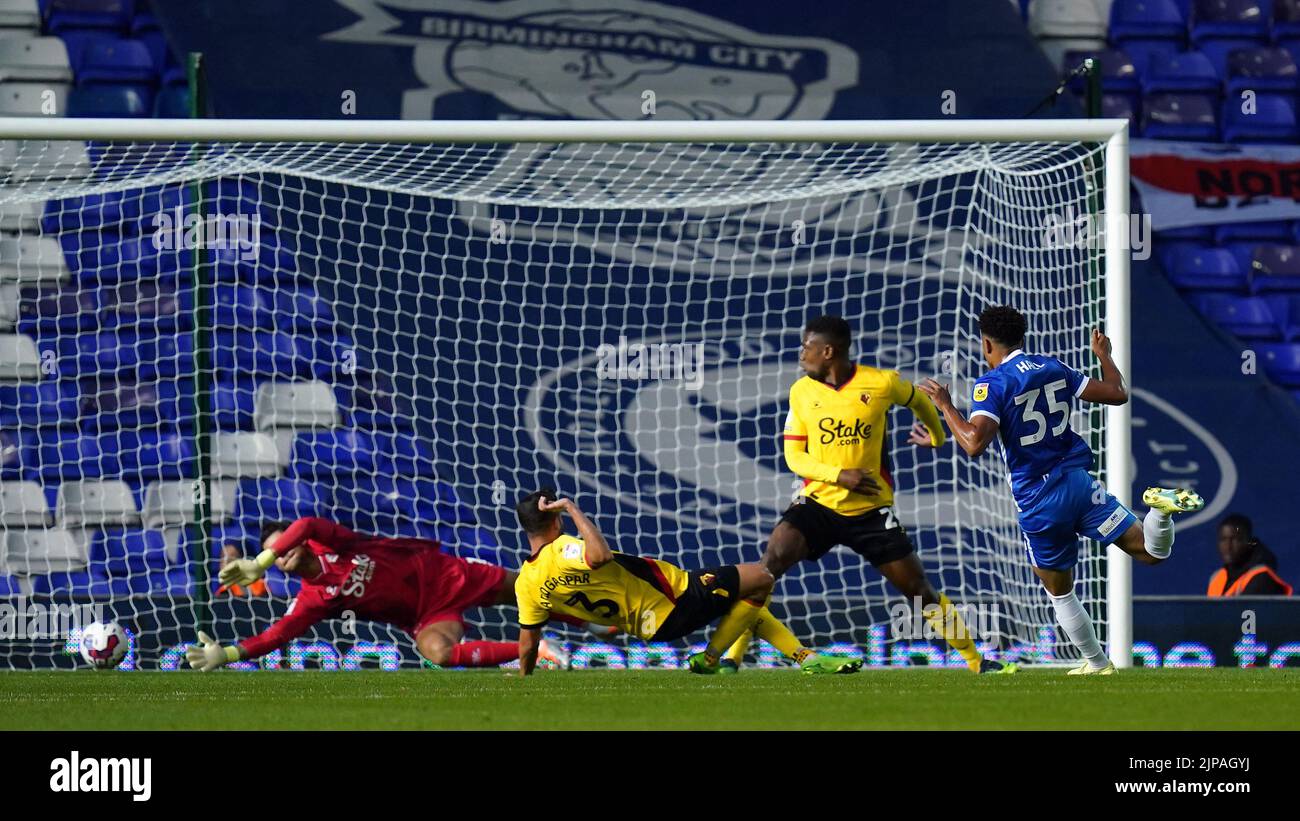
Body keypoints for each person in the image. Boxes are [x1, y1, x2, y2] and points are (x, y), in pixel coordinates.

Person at [918, 305, 1204, 676]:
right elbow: (1117, 393)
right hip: (1079, 483)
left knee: (1060, 592)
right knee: (1151, 553)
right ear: (1022, 338)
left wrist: (944, 404)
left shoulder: (992, 384)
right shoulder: (1053, 366)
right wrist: (1105, 357)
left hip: (1039, 500)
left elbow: (973, 444)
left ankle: (1099, 664)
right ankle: (1159, 512)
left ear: (986, 343)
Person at [736, 314, 1014, 675]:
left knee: (919, 590)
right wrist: (839, 475)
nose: (801, 353)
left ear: (829, 351)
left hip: (871, 510)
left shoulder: (882, 383)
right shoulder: (801, 391)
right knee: (767, 567)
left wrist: (939, 435)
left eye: (807, 346)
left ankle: (976, 662)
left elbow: (920, 402)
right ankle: (731, 656)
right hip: (818, 504)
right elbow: (794, 457)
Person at [513, 489, 861, 676]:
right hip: (677, 597)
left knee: (747, 591)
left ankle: (800, 657)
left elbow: (529, 643)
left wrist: (525, 677)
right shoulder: (562, 548)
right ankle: (713, 659)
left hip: (651, 628)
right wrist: (573, 509)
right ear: (554, 519)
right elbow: (600, 555)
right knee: (764, 576)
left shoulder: (526, 584)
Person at [186, 517, 581, 671]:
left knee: (531, 590)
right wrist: (230, 654)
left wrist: (262, 558)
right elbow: (279, 635)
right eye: (277, 554)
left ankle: (593, 616)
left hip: (445, 574)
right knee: (438, 654)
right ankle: (536, 648)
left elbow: (305, 523)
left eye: (284, 545)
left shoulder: (332, 540)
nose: (284, 554)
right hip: (425, 615)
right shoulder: (314, 598)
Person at [1207, 513, 1292, 596]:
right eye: (1223, 539)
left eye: (1235, 540)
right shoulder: (1217, 577)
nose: (1228, 546)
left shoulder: (1262, 578)